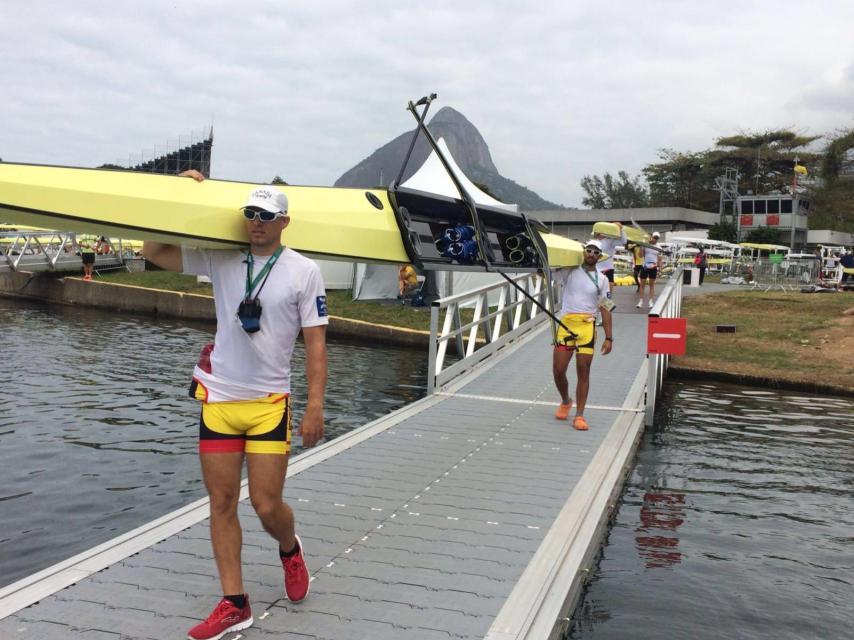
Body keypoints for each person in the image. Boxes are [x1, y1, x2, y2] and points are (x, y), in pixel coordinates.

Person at [142, 169, 328, 640]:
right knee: (221, 501)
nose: (256, 222)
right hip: (220, 398)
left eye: (266, 215)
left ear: (284, 221)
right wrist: (175, 193)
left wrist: (314, 408)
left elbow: (316, 346)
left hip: (269, 403)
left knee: (266, 505)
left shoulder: (304, 271)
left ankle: (289, 547)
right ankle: (234, 603)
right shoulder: (222, 258)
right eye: (250, 214)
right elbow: (153, 251)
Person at [552, 239, 614, 431]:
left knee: (583, 370)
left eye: (596, 252)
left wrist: (609, 337)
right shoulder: (569, 271)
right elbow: (544, 273)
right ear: (584, 252)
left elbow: (606, 307)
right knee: (559, 370)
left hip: (587, 326)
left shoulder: (602, 280)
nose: (592, 254)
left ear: (599, 257)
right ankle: (565, 400)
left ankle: (579, 415)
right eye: (589, 250)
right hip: (566, 324)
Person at [593, 222, 627, 302]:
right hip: (596, 269)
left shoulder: (610, 241)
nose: (598, 234)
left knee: (608, 293)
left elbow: (624, 241)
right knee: (595, 292)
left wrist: (621, 229)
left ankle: (606, 308)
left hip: (608, 268)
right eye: (596, 232)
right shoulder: (593, 242)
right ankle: (595, 309)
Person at [636, 232, 663, 308]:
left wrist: (660, 270)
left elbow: (660, 260)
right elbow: (640, 255)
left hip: (653, 267)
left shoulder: (659, 247)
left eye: (657, 238)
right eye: (654, 237)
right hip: (645, 267)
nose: (655, 239)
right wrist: (641, 246)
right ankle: (640, 302)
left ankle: (650, 302)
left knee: (652, 286)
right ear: (651, 237)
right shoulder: (646, 244)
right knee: (642, 285)